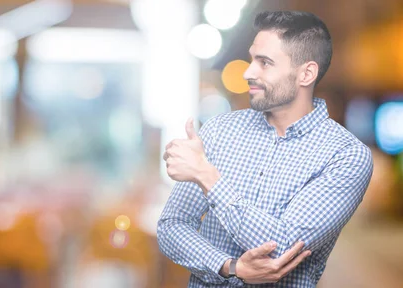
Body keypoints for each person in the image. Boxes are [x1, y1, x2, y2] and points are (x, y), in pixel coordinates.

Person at [158, 10, 373, 287]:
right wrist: (228, 266)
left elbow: (281, 248)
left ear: (306, 73)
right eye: (252, 59)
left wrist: (207, 177)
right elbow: (172, 225)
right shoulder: (219, 131)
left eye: (265, 63)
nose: (248, 72)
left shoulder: (345, 155)